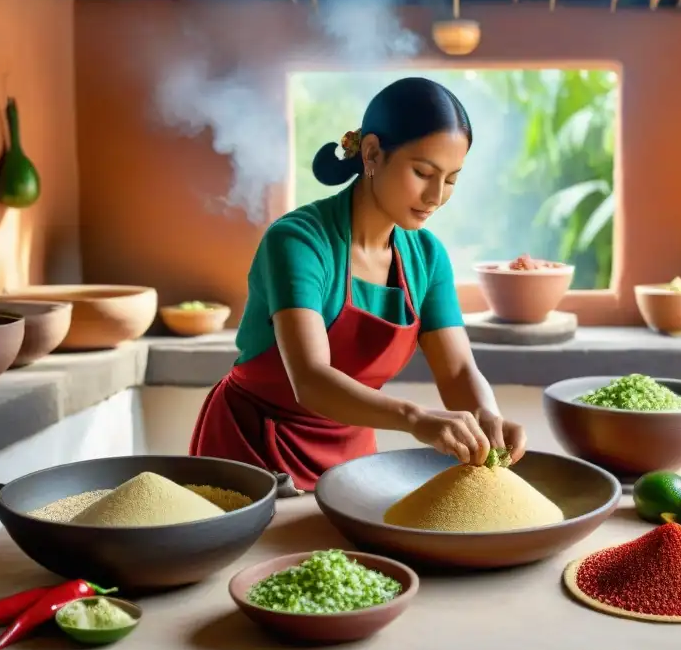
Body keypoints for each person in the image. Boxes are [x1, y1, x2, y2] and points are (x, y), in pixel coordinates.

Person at [189, 77, 527, 494]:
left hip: (351, 455)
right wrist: (415, 419)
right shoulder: (298, 242)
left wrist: (486, 414)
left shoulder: (427, 256)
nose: (437, 195)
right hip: (253, 448)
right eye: (422, 172)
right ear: (371, 154)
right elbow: (310, 379)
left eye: (452, 178)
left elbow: (456, 369)